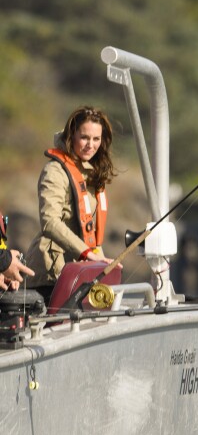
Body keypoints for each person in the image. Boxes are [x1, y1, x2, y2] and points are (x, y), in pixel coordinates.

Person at [26, 106, 119, 300]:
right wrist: (88, 254)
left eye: (96, 139)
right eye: (84, 137)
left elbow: (90, 232)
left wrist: (102, 263)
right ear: (72, 136)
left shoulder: (92, 173)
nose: (90, 145)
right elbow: (49, 222)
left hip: (79, 271)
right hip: (50, 274)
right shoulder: (54, 171)